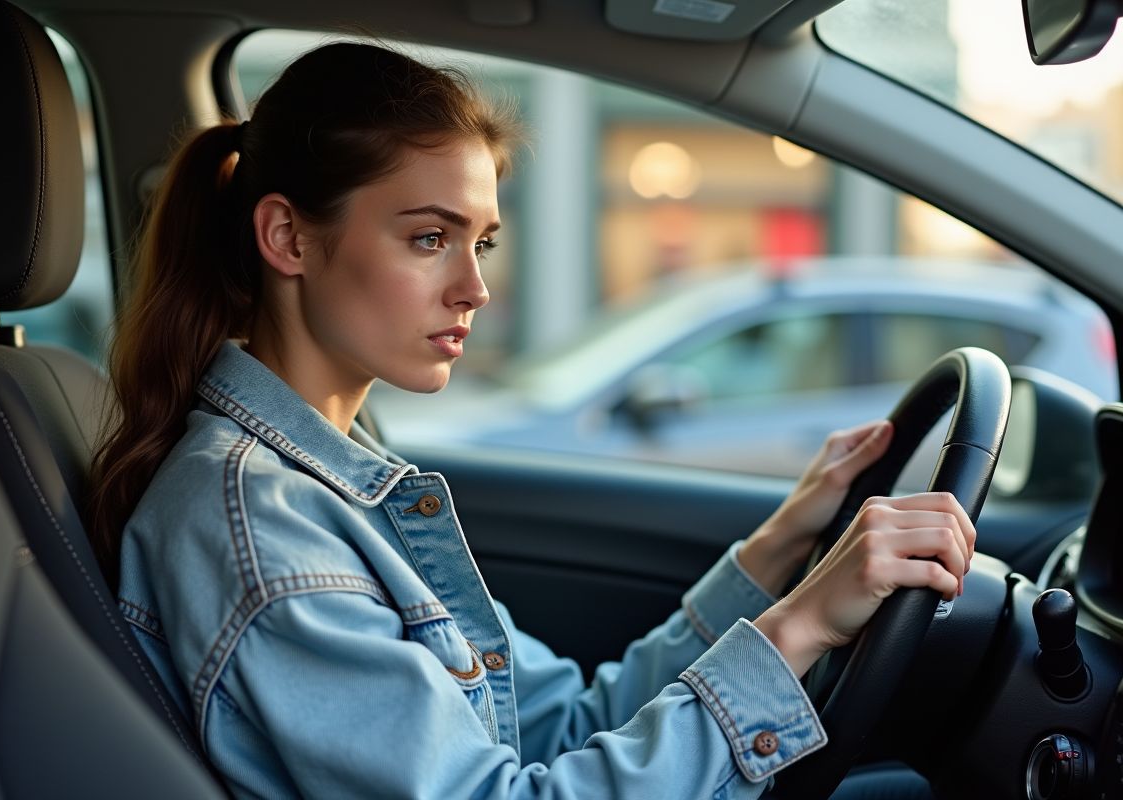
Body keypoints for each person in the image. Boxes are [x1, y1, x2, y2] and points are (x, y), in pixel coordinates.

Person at [87, 42, 973, 800]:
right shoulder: (261, 531)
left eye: (483, 243)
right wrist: (802, 627)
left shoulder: (339, 483)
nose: (475, 289)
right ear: (287, 238)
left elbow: (567, 722)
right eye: (430, 238)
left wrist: (781, 549)